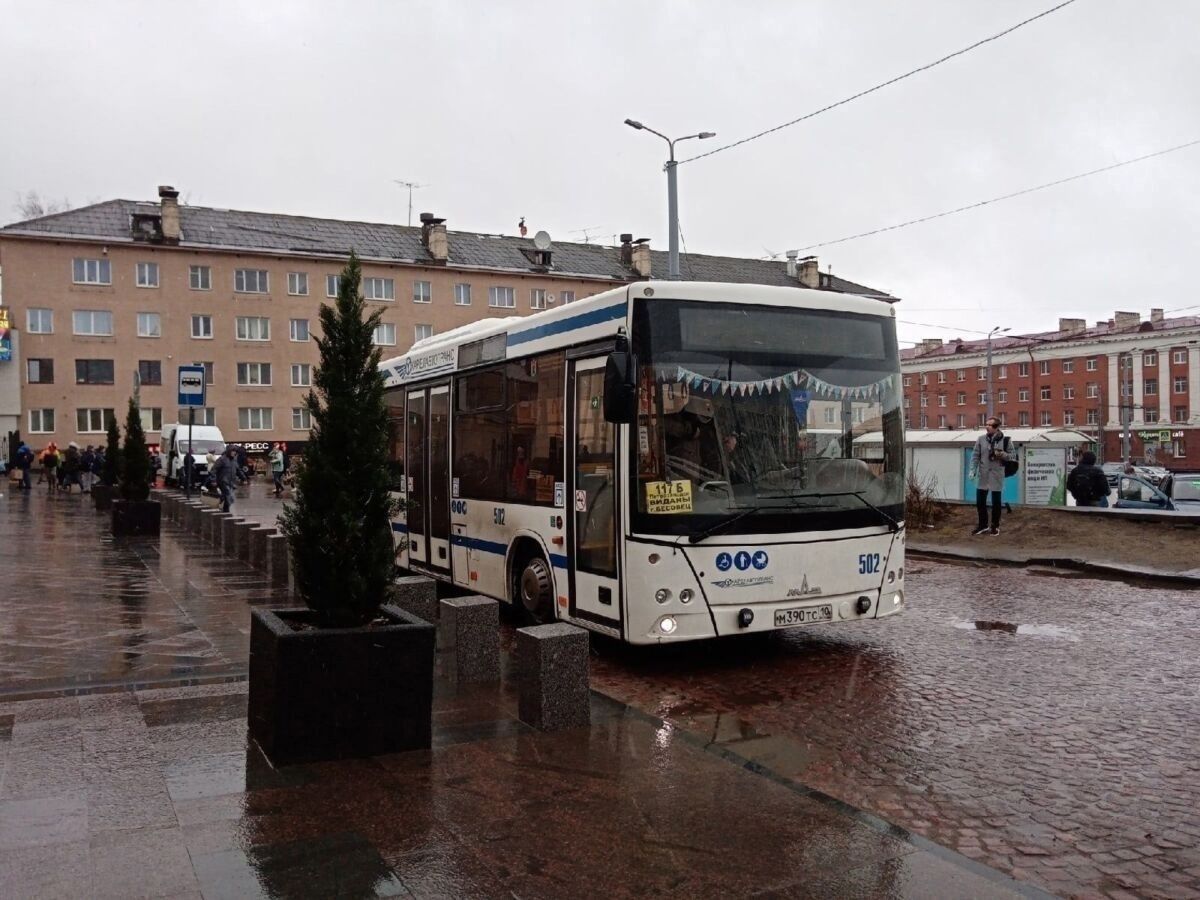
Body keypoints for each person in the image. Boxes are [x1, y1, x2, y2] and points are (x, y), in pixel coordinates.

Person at [969, 417, 1013, 535]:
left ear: (997, 427)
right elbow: (975, 456)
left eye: (990, 425)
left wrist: (1001, 453)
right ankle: (982, 525)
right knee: (980, 502)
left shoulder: (1006, 440)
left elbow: (1011, 456)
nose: (987, 427)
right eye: (986, 424)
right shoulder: (981, 439)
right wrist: (972, 470)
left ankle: (995, 526)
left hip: (997, 474)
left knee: (996, 503)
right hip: (983, 475)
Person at [212, 446, 238, 512]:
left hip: (231, 482)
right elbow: (214, 470)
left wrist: (244, 478)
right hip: (223, 481)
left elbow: (238, 469)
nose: (234, 453)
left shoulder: (234, 460)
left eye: (235, 451)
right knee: (230, 497)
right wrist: (214, 480)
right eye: (232, 451)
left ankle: (224, 509)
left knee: (227, 497)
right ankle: (225, 509)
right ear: (229, 451)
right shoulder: (222, 459)